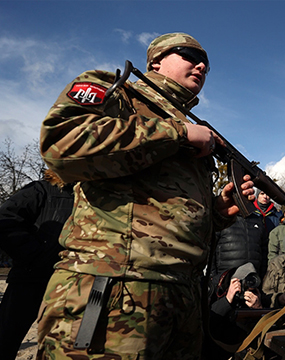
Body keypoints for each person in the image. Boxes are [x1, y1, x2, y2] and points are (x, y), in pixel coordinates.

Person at [36, 33, 255, 359]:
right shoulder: (120, 92)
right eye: (190, 54)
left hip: (183, 297)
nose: (201, 65)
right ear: (156, 60)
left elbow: (165, 213)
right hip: (114, 289)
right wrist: (177, 134)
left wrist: (218, 211)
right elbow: (60, 144)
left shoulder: (190, 124)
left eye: (206, 65)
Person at [0, 169, 74, 359]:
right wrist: (34, 255)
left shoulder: (95, 196)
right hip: (30, 279)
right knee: (5, 340)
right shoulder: (42, 190)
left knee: (62, 347)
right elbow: (5, 220)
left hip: (72, 286)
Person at [203, 263, 263, 360]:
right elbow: (209, 322)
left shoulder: (255, 293)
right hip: (216, 350)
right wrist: (227, 300)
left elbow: (259, 330)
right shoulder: (216, 289)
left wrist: (258, 308)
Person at [208, 213, 268, 294]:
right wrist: (214, 277)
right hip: (225, 283)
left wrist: (261, 277)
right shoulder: (222, 219)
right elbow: (210, 250)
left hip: (252, 283)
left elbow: (264, 252)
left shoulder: (258, 220)